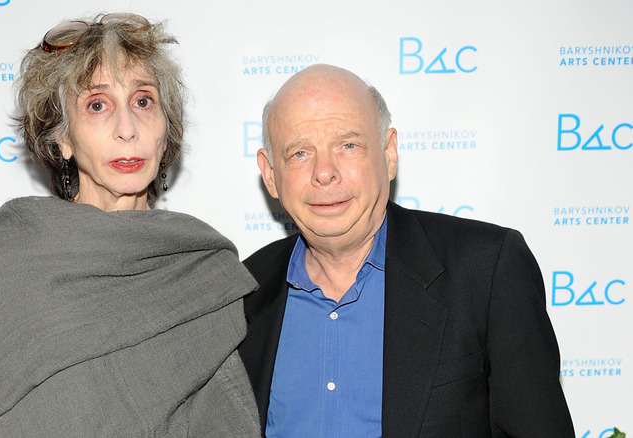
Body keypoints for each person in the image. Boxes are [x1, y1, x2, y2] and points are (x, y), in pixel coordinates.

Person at [0, 13, 259, 437]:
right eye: (97, 105)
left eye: (143, 101)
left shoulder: (201, 262)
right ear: (63, 137)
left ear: (166, 129)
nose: (127, 129)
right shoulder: (15, 253)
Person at [237, 64, 574, 437]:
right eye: (300, 152)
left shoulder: (486, 270)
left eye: (348, 145)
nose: (325, 172)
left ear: (389, 153)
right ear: (270, 174)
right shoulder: (241, 295)